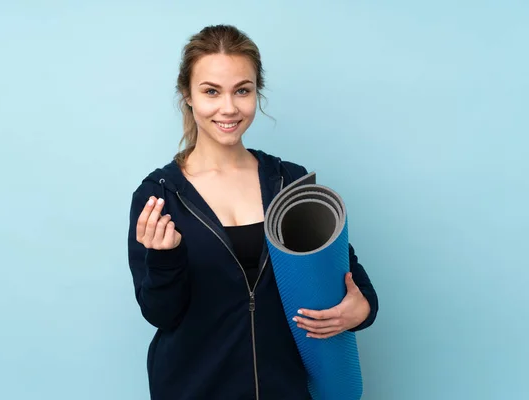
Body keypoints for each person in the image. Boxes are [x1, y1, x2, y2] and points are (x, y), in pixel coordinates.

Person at [127, 24, 379, 400]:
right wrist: (164, 259)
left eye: (241, 91)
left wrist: (363, 309)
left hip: (288, 390)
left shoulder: (288, 181)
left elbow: (349, 278)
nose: (228, 108)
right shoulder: (160, 196)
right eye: (211, 91)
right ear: (188, 96)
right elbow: (161, 315)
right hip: (194, 389)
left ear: (255, 93)